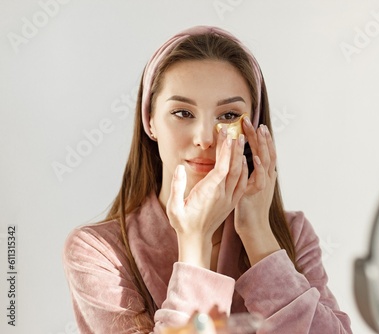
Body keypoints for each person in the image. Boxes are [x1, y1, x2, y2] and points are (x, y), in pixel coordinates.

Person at [63, 25, 352, 334]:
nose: (204, 138)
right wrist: (194, 243)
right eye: (183, 113)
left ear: (251, 126)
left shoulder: (292, 234)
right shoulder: (98, 251)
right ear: (150, 121)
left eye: (228, 116)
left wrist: (258, 237)